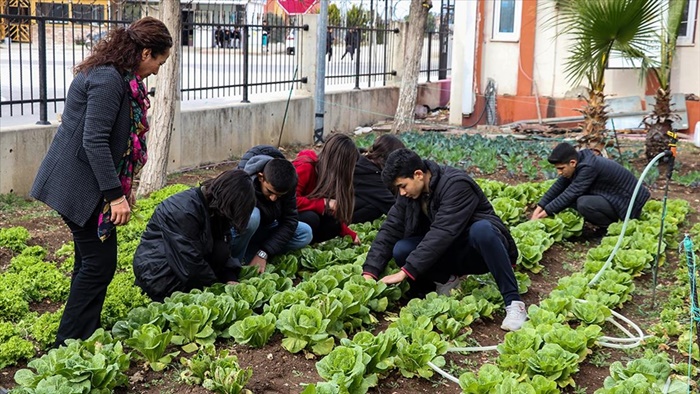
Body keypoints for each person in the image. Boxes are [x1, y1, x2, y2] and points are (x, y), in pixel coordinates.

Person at [29, 16, 172, 345]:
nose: (157, 71)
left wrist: (119, 189)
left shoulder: (117, 75)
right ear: (145, 52)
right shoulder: (108, 79)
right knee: (98, 264)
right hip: (77, 185)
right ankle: (67, 342)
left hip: (83, 182)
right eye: (159, 62)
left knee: (90, 262)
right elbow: (93, 141)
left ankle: (79, 335)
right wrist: (115, 196)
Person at [361, 149, 527, 331]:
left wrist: (406, 271)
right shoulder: (409, 196)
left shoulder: (455, 184)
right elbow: (390, 228)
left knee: (483, 230)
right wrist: (370, 272)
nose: (401, 193)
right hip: (449, 251)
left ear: (418, 175)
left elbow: (442, 232)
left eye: (403, 186)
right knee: (401, 248)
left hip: (475, 253)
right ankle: (447, 280)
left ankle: (514, 303)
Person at [133, 170, 256, 302]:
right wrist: (216, 289)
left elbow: (224, 246)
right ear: (228, 201)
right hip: (157, 271)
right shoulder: (183, 210)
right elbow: (189, 263)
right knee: (177, 290)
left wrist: (229, 277)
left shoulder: (216, 207)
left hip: (184, 263)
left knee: (221, 250)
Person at [230, 145, 313, 273]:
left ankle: (254, 254)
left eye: (280, 196)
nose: (274, 198)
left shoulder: (288, 183)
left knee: (305, 233)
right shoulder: (241, 181)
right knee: (252, 217)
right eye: (270, 192)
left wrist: (264, 252)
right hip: (238, 233)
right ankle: (234, 262)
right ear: (261, 177)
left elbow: (290, 221)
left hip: (265, 228)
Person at [531, 142, 651, 228]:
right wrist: (538, 210)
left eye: (561, 168)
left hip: (628, 202)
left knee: (583, 203)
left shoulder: (588, 167)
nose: (559, 172)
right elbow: (558, 187)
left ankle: (611, 228)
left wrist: (543, 215)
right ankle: (608, 223)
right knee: (571, 200)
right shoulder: (580, 161)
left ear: (572, 163)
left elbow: (571, 193)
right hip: (613, 196)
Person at [293, 133, 360, 244]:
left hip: (303, 221)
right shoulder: (306, 167)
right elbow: (289, 201)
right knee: (311, 218)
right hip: (283, 218)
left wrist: (350, 235)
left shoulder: (328, 178)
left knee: (333, 224)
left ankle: (308, 244)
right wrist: (323, 203)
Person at [353, 134, 406, 223]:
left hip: (335, 209)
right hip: (336, 217)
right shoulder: (369, 173)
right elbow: (392, 205)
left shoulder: (362, 162)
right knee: (376, 206)